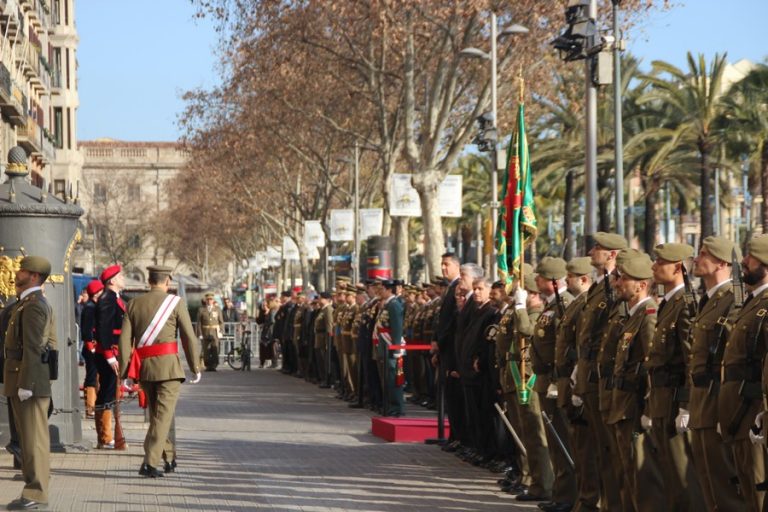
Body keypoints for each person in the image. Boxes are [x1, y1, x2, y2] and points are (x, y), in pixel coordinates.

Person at [118, 265, 201, 478]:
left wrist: (126, 373)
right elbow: (189, 337)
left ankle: (170, 457)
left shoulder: (134, 304)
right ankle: (150, 463)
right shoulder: (176, 303)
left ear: (149, 281)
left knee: (157, 416)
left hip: (145, 368)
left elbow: (125, 341)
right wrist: (195, 366)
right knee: (163, 417)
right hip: (169, 368)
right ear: (167, 282)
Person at [686, 236, 743, 510]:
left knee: (724, 483)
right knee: (707, 480)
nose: (696, 259)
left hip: (718, 400)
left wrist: (725, 410)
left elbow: (729, 357)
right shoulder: (708, 301)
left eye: (703, 254)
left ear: (721, 261)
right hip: (701, 402)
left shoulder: (733, 300)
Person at [647, 243, 704, 510]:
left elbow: (690, 359)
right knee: (668, 471)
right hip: (661, 398)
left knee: (683, 476)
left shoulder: (685, 305)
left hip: (673, 399)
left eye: (661, 262)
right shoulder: (669, 304)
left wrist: (686, 404)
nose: (654, 266)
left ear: (678, 267)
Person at [3, 256, 56, 510]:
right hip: (24, 379)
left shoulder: (34, 306)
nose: (18, 273)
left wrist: (27, 383)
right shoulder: (27, 304)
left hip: (29, 382)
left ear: (34, 276)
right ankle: (32, 490)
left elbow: (34, 348)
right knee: (28, 440)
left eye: (23, 270)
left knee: (34, 441)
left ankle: (36, 494)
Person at [720, 235, 768, 512]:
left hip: (754, 409)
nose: (744, 262)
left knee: (759, 487)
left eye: (752, 257)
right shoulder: (752, 303)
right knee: (748, 486)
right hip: (738, 408)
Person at [94, 264, 126, 450]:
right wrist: (110, 355)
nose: (123, 278)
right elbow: (103, 328)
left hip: (114, 350)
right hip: (109, 352)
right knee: (106, 392)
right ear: (112, 280)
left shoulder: (114, 298)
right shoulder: (107, 298)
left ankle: (106, 435)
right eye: (120, 276)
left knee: (111, 391)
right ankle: (105, 437)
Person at [374, 279, 406, 416]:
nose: (380, 292)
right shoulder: (387, 305)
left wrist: (397, 348)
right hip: (385, 346)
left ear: (388, 290)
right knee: (387, 378)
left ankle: (396, 407)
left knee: (394, 378)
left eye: (382, 290)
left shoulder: (394, 305)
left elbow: (397, 328)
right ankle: (388, 406)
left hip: (391, 347)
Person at [81, 279, 104, 419]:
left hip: (97, 346)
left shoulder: (94, 306)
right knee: (91, 376)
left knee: (97, 376)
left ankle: (95, 405)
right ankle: (90, 407)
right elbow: (87, 330)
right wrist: (91, 347)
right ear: (96, 293)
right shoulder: (90, 307)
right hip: (92, 348)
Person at [197, 292, 223, 371]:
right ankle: (207, 365)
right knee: (206, 349)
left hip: (215, 332)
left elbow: (221, 321)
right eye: (208, 299)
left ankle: (214, 365)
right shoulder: (201, 309)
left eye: (211, 299)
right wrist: (200, 333)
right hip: (205, 331)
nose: (209, 301)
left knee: (215, 349)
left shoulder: (217, 309)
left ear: (213, 300)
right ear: (205, 300)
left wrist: (221, 331)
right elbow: (199, 323)